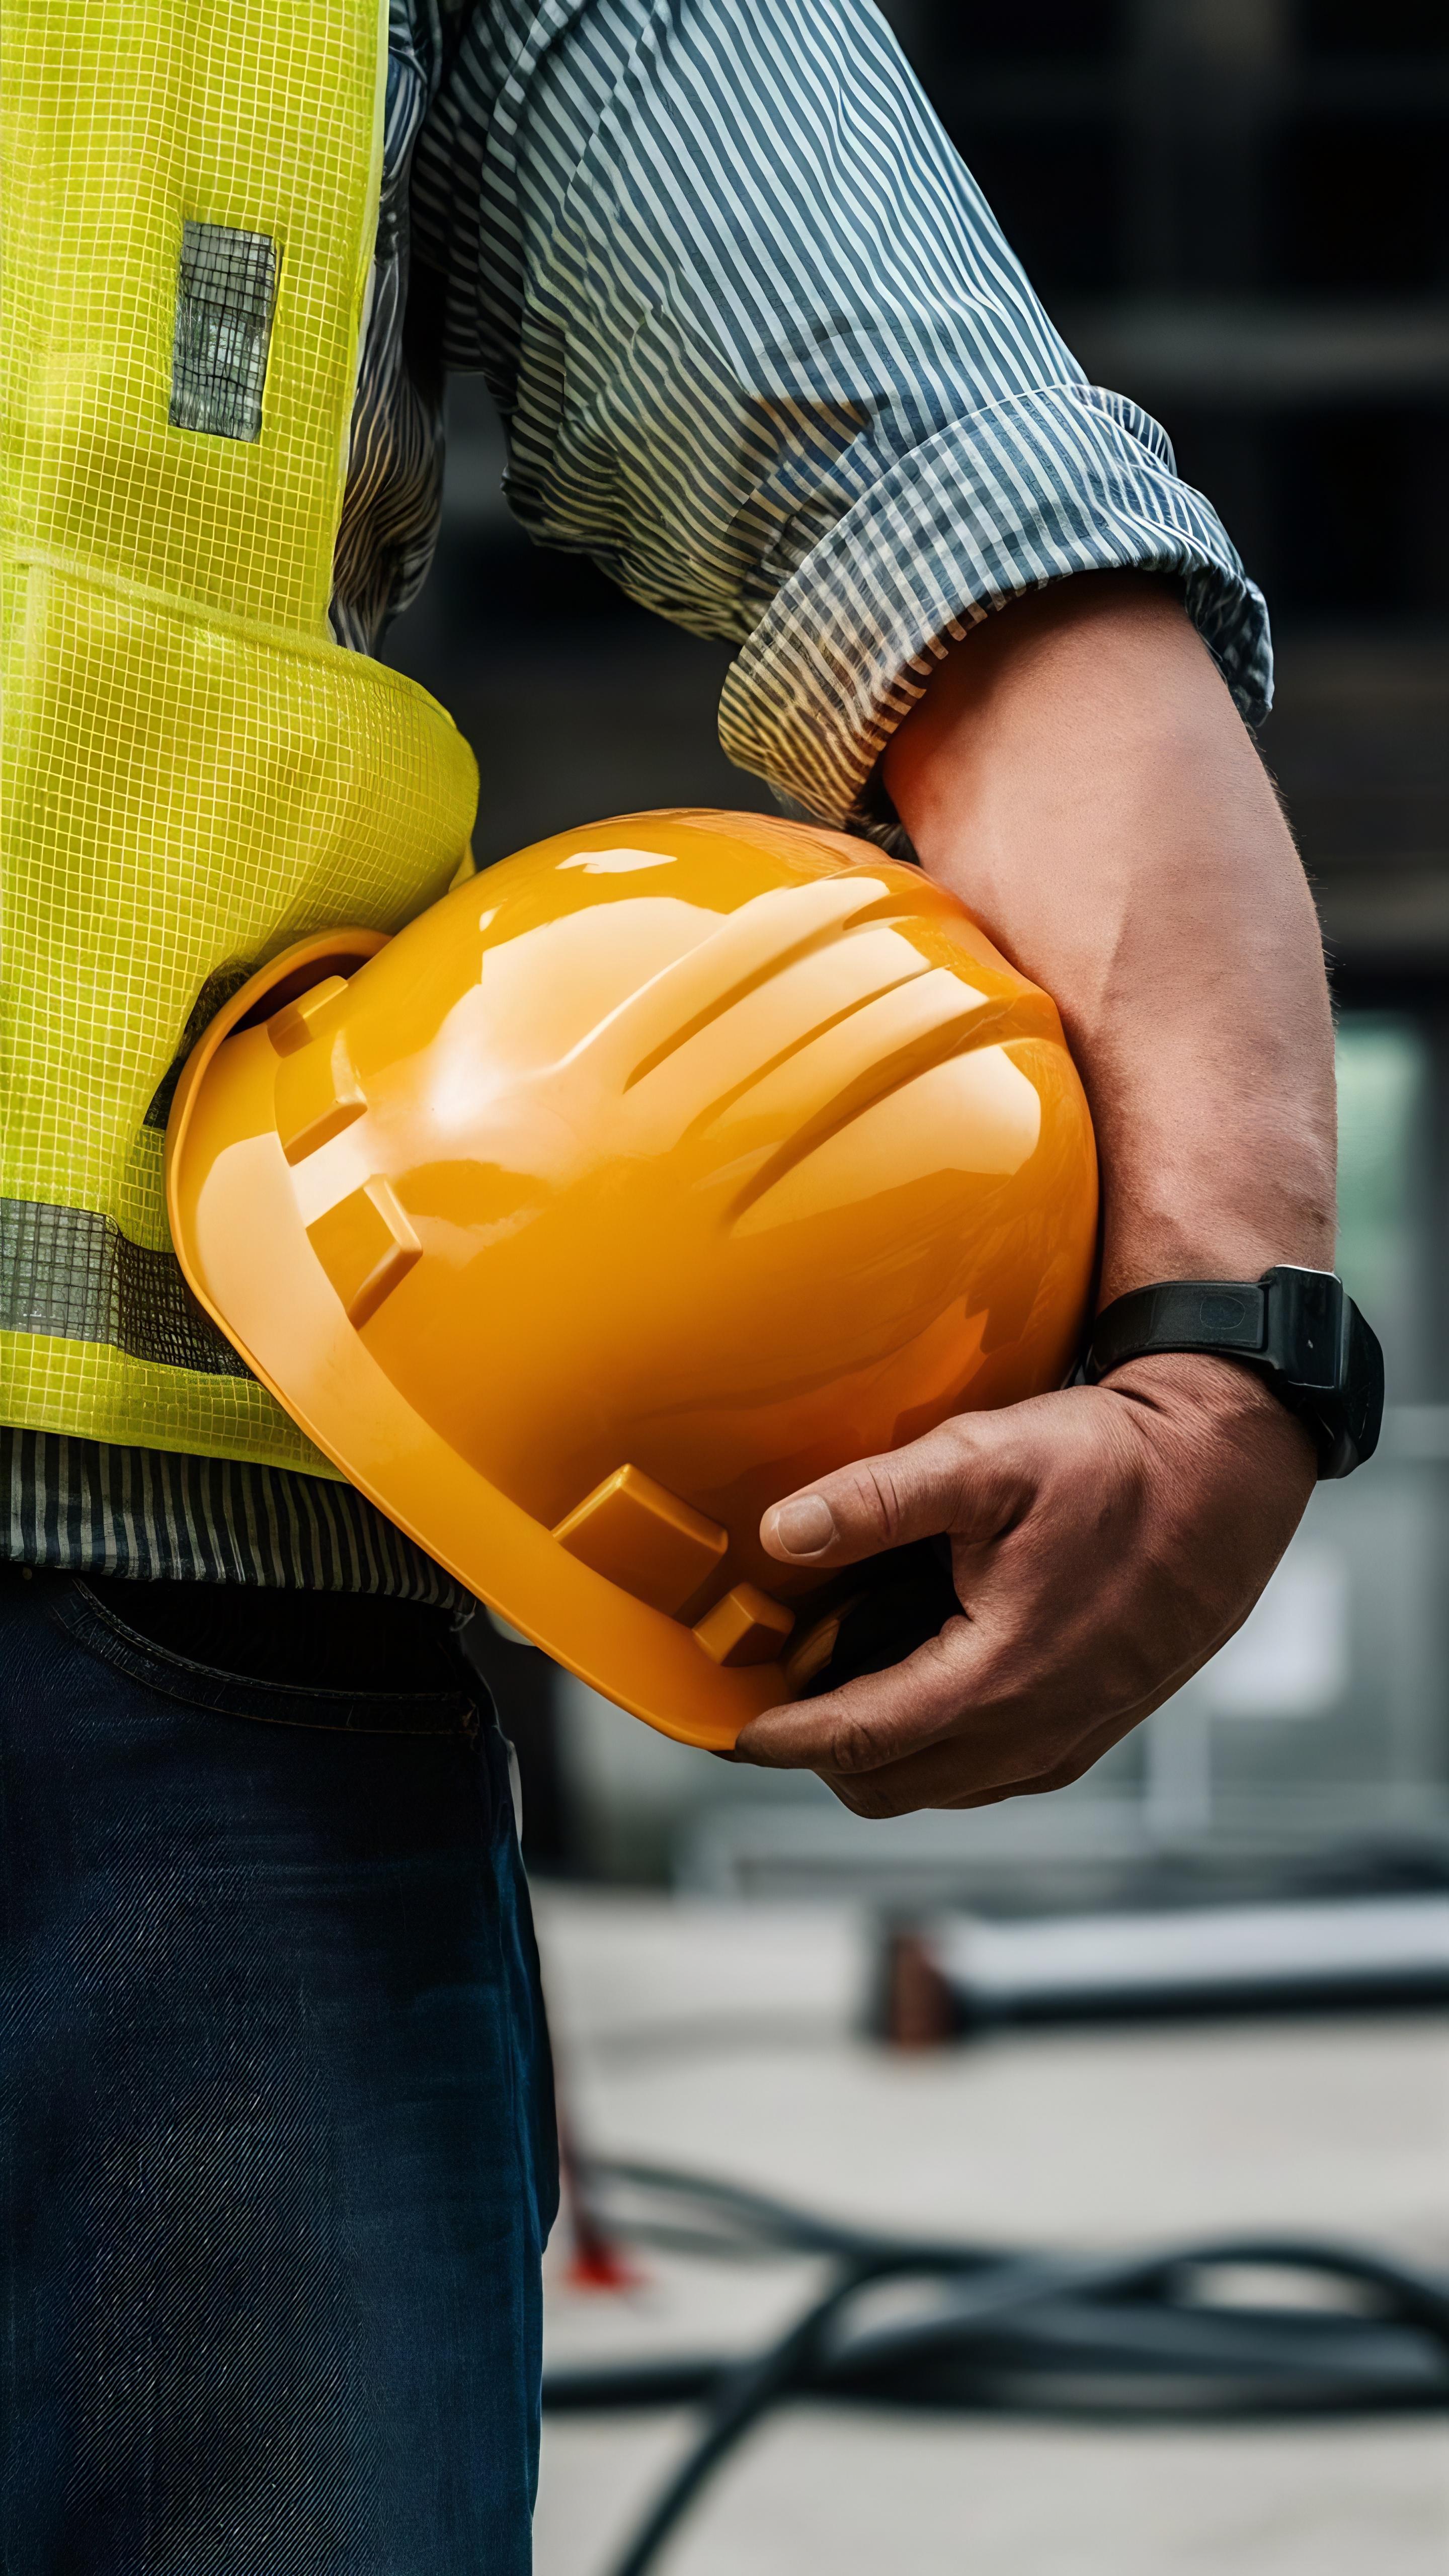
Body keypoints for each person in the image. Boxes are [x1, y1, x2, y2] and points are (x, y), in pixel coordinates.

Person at [0, 1, 1332, 2565]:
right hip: (208, 1726)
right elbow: (936, 485)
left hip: (206, 1668)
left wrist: (1230, 1328)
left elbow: (945, 497)